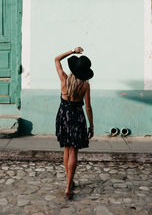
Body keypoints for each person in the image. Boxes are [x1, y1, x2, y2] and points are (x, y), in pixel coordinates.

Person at [55, 47, 94, 198]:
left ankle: (69, 182)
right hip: (77, 118)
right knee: (73, 151)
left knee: (66, 149)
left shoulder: (64, 79)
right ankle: (68, 186)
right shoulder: (85, 85)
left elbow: (56, 59)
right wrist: (92, 125)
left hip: (63, 116)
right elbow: (88, 107)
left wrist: (73, 51)